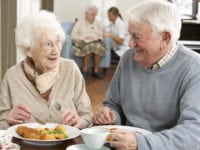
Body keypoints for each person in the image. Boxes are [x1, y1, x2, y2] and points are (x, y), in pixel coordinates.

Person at [93, 0, 200, 150]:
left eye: (137, 37)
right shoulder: (127, 59)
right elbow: (113, 104)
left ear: (165, 38)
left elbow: (194, 133)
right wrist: (109, 116)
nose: (130, 44)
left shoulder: (195, 68)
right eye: (130, 36)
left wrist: (140, 143)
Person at [0, 10, 93, 130]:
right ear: (28, 50)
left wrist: (79, 121)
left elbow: (87, 116)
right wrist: (8, 119)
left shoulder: (70, 69)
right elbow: (1, 123)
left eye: (58, 42)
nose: (55, 51)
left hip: (66, 145)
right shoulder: (12, 76)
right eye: (48, 44)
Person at [71, 5, 106, 79]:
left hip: (95, 42)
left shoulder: (98, 23)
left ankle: (96, 70)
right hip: (83, 42)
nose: (94, 16)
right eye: (92, 14)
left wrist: (98, 38)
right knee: (89, 46)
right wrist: (83, 38)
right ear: (86, 14)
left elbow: (101, 35)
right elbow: (73, 35)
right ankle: (85, 70)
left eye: (95, 14)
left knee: (97, 46)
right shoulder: (80, 22)